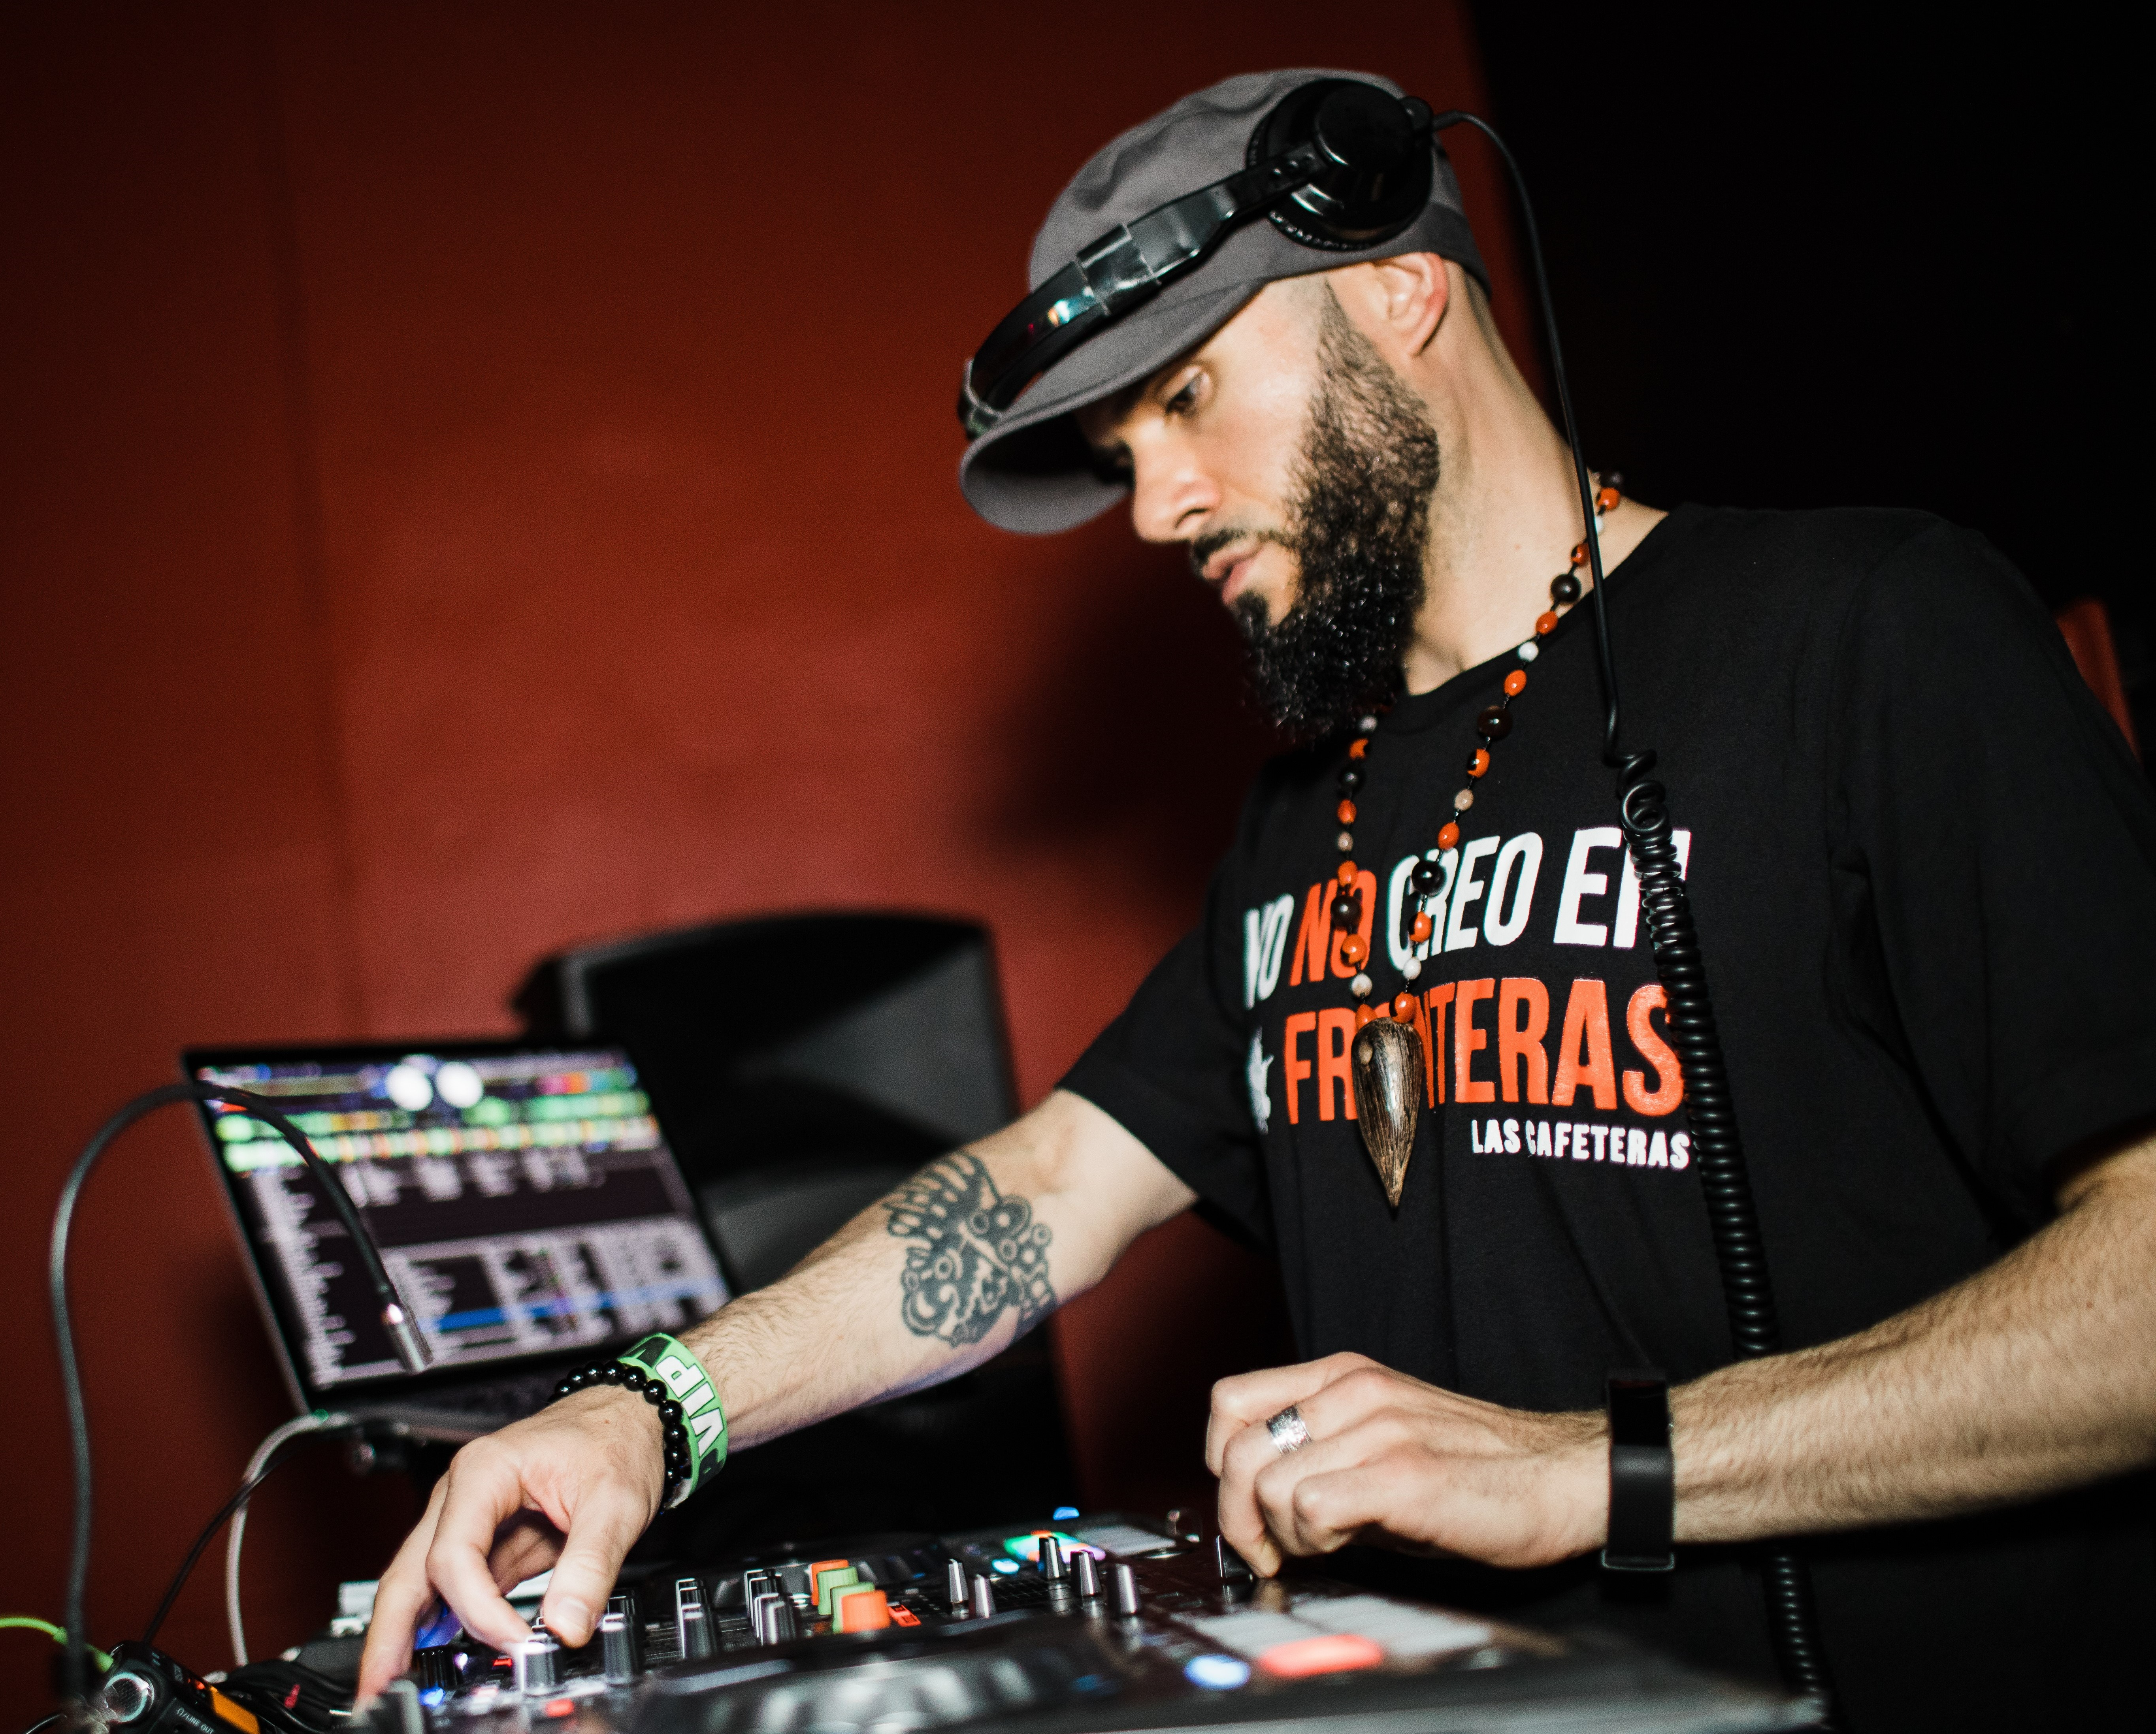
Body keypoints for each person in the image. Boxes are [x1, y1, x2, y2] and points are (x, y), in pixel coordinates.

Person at [356, 70, 2156, 1730]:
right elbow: (1047, 1191)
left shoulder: (1862, 635)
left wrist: (1586, 1468)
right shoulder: (1314, 814)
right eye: (1124, 448)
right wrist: (650, 1415)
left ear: (1397, 289)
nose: (1154, 509)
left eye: (1186, 397)